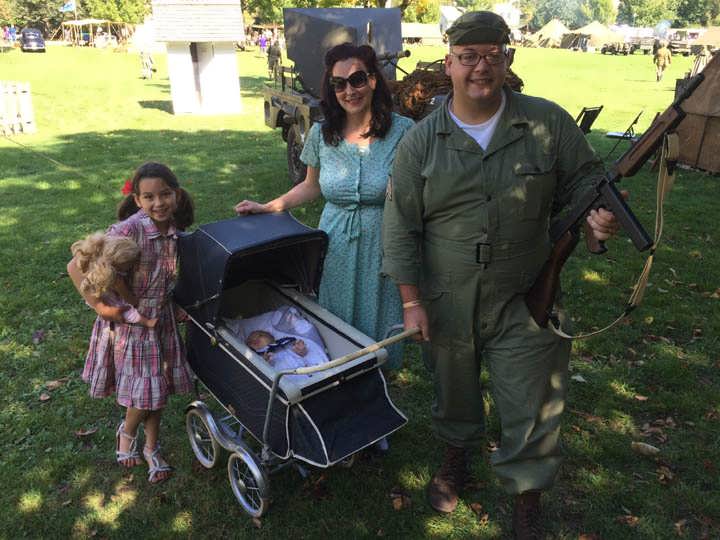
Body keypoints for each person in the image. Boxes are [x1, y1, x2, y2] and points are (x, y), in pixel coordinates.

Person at [381, 11, 623, 539]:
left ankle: (526, 496)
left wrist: (598, 217)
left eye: (492, 55)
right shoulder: (422, 141)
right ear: (449, 64)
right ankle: (457, 456)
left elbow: (586, 181)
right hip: (448, 293)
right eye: (468, 57)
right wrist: (411, 301)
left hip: (525, 289)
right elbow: (399, 226)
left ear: (508, 60)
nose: (480, 68)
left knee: (532, 399)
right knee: (453, 387)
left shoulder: (547, 123)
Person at [235, 43, 414, 370]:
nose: (349, 90)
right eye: (339, 83)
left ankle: (378, 383)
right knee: (335, 321)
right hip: (336, 245)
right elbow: (311, 185)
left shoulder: (402, 132)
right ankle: (338, 381)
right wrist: (270, 206)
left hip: (383, 243)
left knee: (378, 321)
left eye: (357, 79)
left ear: (373, 80)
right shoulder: (322, 133)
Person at [67, 162, 195, 484]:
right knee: (147, 390)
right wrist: (102, 307)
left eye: (165, 194)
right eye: (149, 197)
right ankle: (126, 431)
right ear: (137, 200)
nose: (158, 203)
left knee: (157, 389)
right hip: (133, 326)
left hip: (161, 320)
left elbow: (162, 277)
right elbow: (75, 266)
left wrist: (175, 305)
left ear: (176, 195)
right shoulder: (129, 230)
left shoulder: (174, 230)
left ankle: (152, 448)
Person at [71, 232, 158, 329]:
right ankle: (147, 322)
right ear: (121, 263)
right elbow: (128, 298)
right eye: (131, 263)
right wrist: (131, 299)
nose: (133, 266)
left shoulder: (98, 263)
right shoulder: (115, 278)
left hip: (100, 297)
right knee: (128, 312)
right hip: (109, 300)